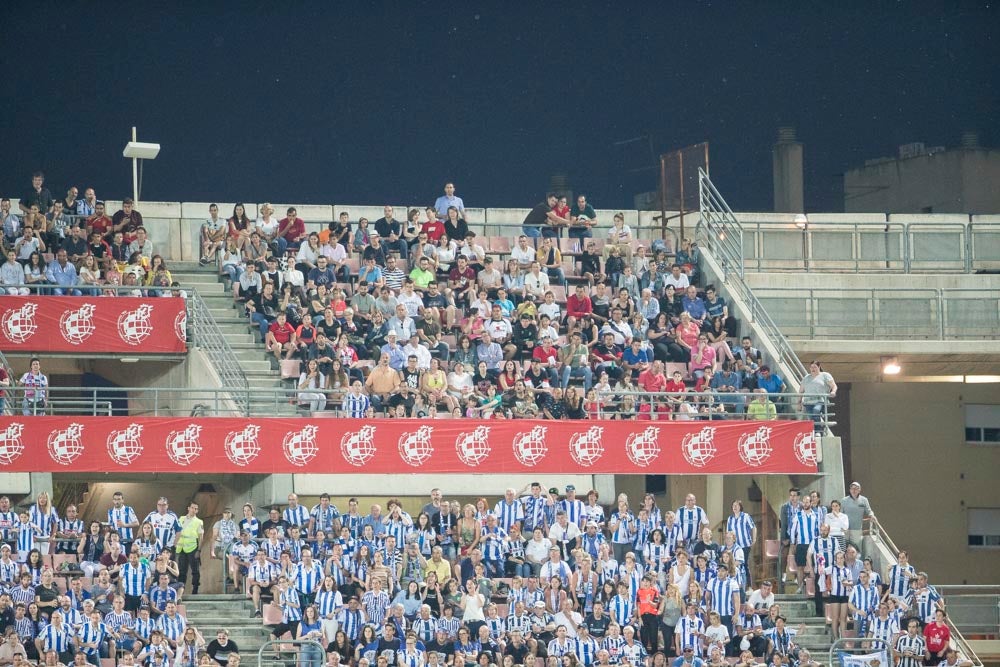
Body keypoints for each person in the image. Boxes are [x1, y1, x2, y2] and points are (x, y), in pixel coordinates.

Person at [175, 503, 204, 596]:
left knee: (195, 570)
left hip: (192, 548)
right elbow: (177, 532)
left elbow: (201, 537)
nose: (194, 510)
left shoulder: (199, 521)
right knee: (182, 570)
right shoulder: (181, 519)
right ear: (188, 508)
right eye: (192, 508)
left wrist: (199, 550)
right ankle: (181, 589)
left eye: (196, 509)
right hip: (181, 547)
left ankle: (195, 588)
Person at [800, 361, 837, 432]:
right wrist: (799, 402)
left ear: (819, 367)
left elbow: (834, 386)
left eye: (815, 367)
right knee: (811, 417)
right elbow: (801, 391)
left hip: (820, 400)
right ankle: (817, 430)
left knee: (816, 411)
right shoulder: (806, 378)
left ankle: (818, 430)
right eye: (811, 367)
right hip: (808, 401)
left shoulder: (825, 375)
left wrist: (833, 391)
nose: (813, 369)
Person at [840, 483, 873, 553]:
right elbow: (840, 514)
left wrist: (872, 515)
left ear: (859, 490)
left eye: (856, 488)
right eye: (852, 488)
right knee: (843, 551)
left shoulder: (864, 500)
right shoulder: (844, 500)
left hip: (857, 530)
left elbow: (869, 511)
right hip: (845, 530)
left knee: (857, 551)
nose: (854, 490)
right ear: (850, 490)